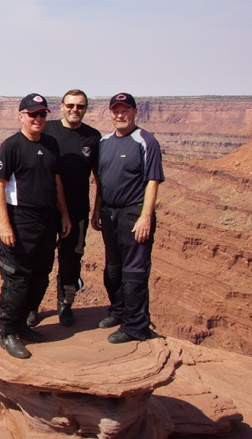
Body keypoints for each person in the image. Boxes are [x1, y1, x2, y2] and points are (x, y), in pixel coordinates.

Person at [0, 93, 71, 359]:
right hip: (21, 219)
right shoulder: (11, 146)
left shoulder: (50, 144)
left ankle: (23, 325)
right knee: (17, 279)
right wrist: (5, 225)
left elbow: (56, 180)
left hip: (47, 220)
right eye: (32, 114)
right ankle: (7, 333)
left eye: (42, 114)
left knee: (41, 275)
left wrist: (64, 214)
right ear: (21, 116)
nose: (38, 119)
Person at [91, 92, 164, 343]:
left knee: (134, 271)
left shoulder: (145, 140)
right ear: (111, 113)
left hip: (134, 211)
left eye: (125, 110)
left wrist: (145, 217)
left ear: (135, 112)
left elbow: (153, 180)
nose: (120, 115)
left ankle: (136, 327)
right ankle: (119, 311)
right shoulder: (105, 142)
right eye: (116, 110)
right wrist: (97, 210)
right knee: (113, 269)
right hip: (109, 212)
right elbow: (100, 180)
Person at [27, 89, 101, 328]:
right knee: (40, 259)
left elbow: (99, 178)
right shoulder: (47, 130)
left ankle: (65, 304)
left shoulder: (93, 137)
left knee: (72, 259)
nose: (75, 110)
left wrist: (97, 209)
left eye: (80, 106)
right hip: (47, 209)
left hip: (78, 208)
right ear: (62, 106)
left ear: (86, 109)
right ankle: (31, 306)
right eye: (71, 105)